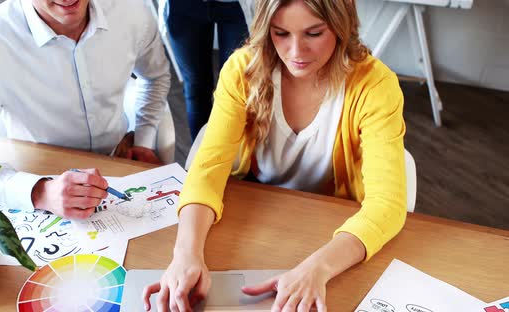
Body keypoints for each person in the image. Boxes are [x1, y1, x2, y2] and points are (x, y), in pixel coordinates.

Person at [143, 0, 407, 311]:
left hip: (335, 227)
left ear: (340, 25)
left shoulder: (375, 84)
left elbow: (387, 204)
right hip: (260, 213)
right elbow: (207, 170)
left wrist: (318, 269)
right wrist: (185, 254)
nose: (296, 51)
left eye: (313, 33)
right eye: (281, 33)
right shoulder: (243, 70)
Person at [0, 0, 171, 219]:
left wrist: (144, 138)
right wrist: (39, 191)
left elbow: (155, 77)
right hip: (36, 176)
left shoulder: (131, 9)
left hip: (118, 157)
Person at [163, 0, 249, 140]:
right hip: (182, 6)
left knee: (233, 87)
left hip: (236, 6)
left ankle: (228, 155)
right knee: (196, 89)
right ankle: (200, 156)